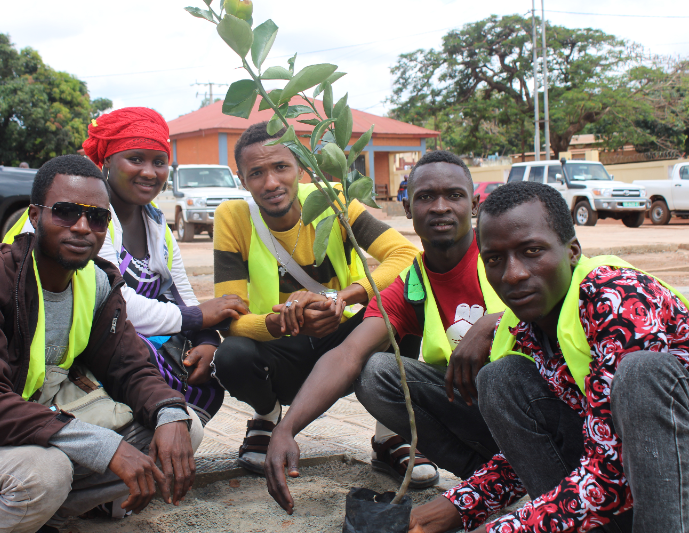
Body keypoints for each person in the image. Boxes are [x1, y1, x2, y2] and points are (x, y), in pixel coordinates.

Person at [0, 155, 197, 533]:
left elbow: (131, 367)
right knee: (46, 474)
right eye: (66, 212)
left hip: (42, 428)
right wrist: (107, 448)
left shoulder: (97, 282)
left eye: (97, 218)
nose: (82, 227)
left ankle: (41, 517)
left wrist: (170, 414)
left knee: (179, 430)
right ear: (35, 216)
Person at [408, 180, 689, 533]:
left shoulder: (618, 300)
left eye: (532, 251)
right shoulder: (524, 327)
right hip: (633, 482)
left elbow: (613, 472)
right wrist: (456, 507)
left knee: (641, 375)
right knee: (500, 377)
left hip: (675, 483)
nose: (513, 274)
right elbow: (586, 445)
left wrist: (502, 530)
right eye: (495, 259)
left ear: (572, 251)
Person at [264, 150, 507, 514]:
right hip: (480, 414)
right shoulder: (412, 285)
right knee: (375, 373)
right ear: (407, 209)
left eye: (453, 195)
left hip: (538, 405)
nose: (440, 207)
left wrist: (495, 321)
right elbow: (347, 355)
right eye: (426, 197)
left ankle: (524, 472)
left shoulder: (508, 255)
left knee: (508, 373)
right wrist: (286, 429)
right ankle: (489, 478)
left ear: (473, 205)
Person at [212, 121, 421, 478]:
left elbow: (406, 256)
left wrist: (344, 296)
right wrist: (280, 322)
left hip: (343, 343)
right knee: (230, 354)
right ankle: (266, 417)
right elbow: (229, 318)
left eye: (281, 167)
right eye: (257, 173)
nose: (272, 183)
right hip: (281, 350)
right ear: (241, 179)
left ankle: (389, 435)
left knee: (408, 303)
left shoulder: (333, 200)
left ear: (301, 167)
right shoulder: (233, 218)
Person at [83, 107, 247, 434]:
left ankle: (162, 433)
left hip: (130, 338)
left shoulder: (157, 223)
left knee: (214, 366)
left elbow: (181, 293)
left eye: (159, 162)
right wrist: (198, 317)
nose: (149, 172)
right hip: (88, 343)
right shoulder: (90, 217)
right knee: (140, 354)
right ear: (107, 162)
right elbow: (114, 304)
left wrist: (206, 341)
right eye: (135, 159)